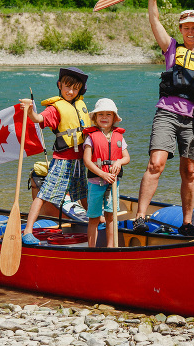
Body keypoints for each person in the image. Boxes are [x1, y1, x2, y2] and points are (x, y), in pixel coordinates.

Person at [132, 0, 194, 236]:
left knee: (190, 171)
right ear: (181, 29)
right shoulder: (171, 47)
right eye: (187, 27)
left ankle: (187, 222)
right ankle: (140, 216)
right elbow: (154, 19)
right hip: (168, 113)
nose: (191, 31)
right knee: (156, 163)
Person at [19, 67, 90, 246]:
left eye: (75, 88)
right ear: (59, 85)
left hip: (80, 160)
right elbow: (37, 118)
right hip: (63, 160)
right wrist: (28, 110)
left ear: (80, 89)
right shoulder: (54, 109)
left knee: (84, 194)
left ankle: (95, 220)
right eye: (67, 87)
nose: (70, 91)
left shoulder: (80, 105)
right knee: (44, 194)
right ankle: (28, 230)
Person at [82, 98, 130, 248]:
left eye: (108, 114)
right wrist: (102, 174)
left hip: (113, 183)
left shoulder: (119, 136)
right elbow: (87, 161)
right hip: (96, 183)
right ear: (95, 118)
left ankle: (111, 247)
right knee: (94, 217)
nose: (104, 117)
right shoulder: (91, 137)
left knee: (110, 216)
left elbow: (126, 157)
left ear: (114, 118)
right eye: (100, 114)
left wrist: (118, 162)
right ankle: (91, 249)